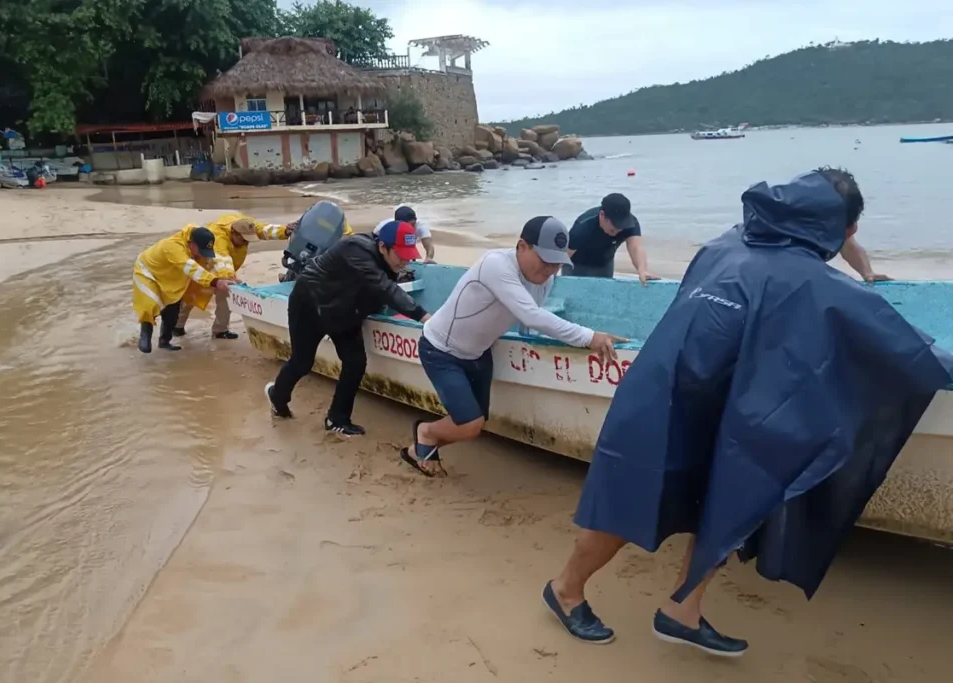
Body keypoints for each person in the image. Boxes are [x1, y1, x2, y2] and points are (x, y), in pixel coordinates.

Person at [542, 168, 953, 657]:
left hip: (691, 387)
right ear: (843, 228)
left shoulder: (724, 244)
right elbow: (903, 348)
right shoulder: (814, 282)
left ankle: (682, 611)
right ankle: (564, 590)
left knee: (727, 497)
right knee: (628, 505)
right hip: (674, 397)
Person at [402, 216, 627, 476]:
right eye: (545, 260)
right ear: (522, 246)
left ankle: (424, 443)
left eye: (557, 263)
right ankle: (425, 432)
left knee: (477, 421)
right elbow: (531, 315)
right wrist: (589, 337)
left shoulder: (545, 279)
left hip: (478, 352)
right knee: (470, 425)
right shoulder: (496, 264)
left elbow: (527, 318)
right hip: (441, 349)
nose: (550, 269)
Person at [265, 221, 431, 435]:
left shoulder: (388, 261)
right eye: (401, 255)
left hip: (345, 309)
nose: (405, 261)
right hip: (311, 303)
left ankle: (337, 419)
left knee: (355, 363)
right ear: (382, 247)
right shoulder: (356, 248)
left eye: (409, 256)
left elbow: (380, 290)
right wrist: (424, 316)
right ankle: (277, 396)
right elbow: (384, 287)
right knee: (302, 362)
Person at [174, 213, 292, 340]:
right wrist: (231, 278)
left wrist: (284, 231)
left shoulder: (244, 224)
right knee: (190, 297)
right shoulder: (218, 238)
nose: (245, 243)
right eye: (243, 240)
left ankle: (220, 330)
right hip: (204, 266)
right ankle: (176, 326)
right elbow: (222, 260)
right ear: (234, 233)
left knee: (226, 294)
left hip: (224, 268)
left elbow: (262, 229)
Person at [132, 226, 234, 354]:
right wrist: (216, 282)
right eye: (201, 250)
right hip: (148, 271)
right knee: (150, 303)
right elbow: (191, 268)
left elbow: (215, 262)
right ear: (191, 244)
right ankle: (145, 335)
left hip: (170, 275)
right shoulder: (172, 247)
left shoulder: (197, 239)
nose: (202, 254)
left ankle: (164, 342)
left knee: (172, 310)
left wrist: (227, 275)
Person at [563, 193, 657, 284]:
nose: (617, 231)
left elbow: (635, 247)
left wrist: (642, 270)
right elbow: (564, 255)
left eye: (621, 227)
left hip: (604, 263)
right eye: (614, 228)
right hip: (577, 265)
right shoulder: (583, 226)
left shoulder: (630, 223)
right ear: (602, 215)